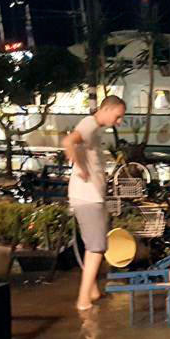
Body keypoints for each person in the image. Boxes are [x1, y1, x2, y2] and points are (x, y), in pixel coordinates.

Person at [63, 95, 126, 311]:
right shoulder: (89, 125)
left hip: (91, 196)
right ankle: (83, 300)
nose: (119, 122)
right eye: (118, 116)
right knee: (97, 248)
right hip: (88, 197)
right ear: (107, 109)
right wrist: (79, 167)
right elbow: (68, 141)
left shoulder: (94, 127)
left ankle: (92, 291)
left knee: (95, 245)